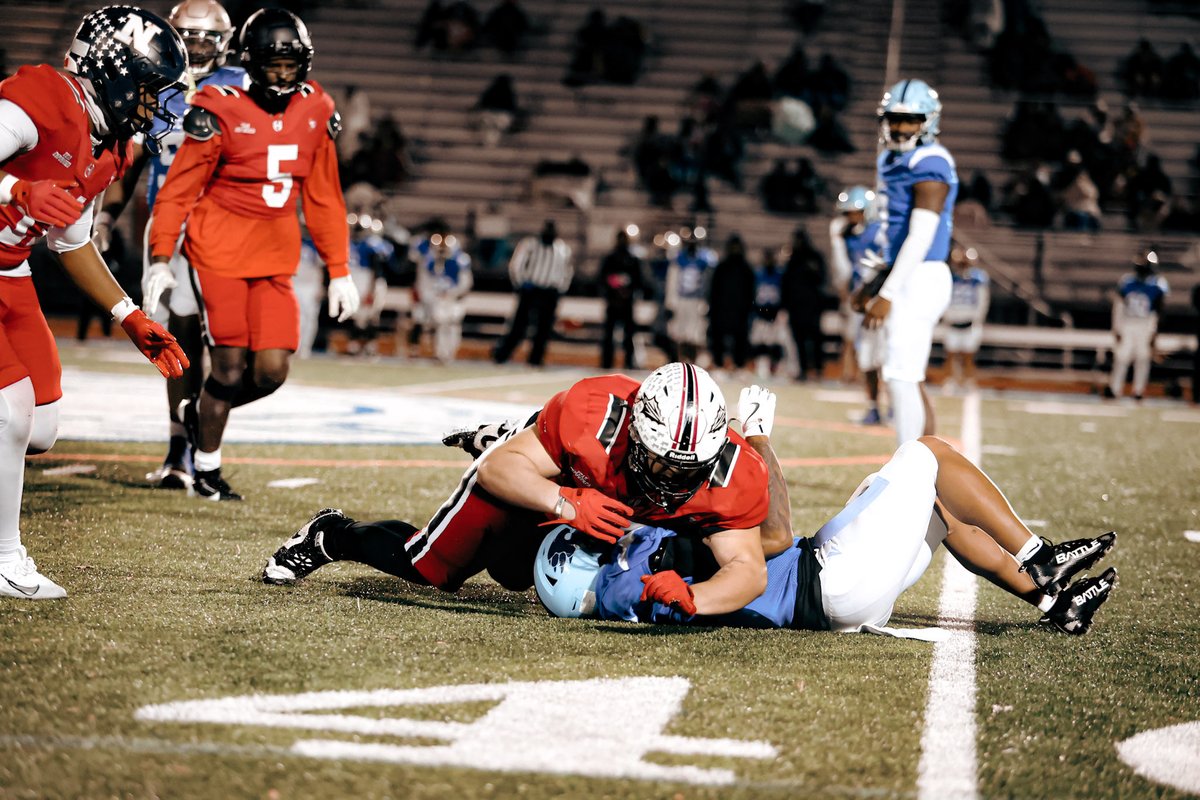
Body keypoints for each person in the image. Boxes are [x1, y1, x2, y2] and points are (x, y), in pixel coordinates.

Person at [533, 385, 1119, 636]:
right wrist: (759, 439)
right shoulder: (619, 584)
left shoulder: (623, 573)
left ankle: (1055, 601)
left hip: (828, 575)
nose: (600, 528)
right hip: (826, 582)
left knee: (936, 503)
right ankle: (1038, 555)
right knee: (927, 455)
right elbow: (776, 534)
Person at [262, 363, 773, 617]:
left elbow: (748, 569)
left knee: (510, 576)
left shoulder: (734, 474)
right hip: (552, 477)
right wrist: (564, 501)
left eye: (686, 470)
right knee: (433, 569)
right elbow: (497, 472)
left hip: (587, 495)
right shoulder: (591, 417)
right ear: (635, 432)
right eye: (660, 461)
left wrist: (696, 598)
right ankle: (332, 535)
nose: (668, 479)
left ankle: (515, 444)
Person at [0, 6, 190, 599]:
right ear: (114, 73)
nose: (158, 107)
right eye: (151, 90)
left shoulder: (110, 145)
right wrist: (18, 188)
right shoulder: (41, 100)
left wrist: (128, 315)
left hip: (10, 272)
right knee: (10, 413)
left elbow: (72, 240)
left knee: (40, 430)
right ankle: (5, 556)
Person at [148, 8, 360, 501]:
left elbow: (325, 196)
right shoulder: (218, 106)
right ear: (250, 63)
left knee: (270, 373)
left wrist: (340, 270)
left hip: (275, 256)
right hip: (217, 251)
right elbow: (179, 190)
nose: (283, 75)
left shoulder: (317, 108)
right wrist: (162, 255)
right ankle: (207, 469)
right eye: (272, 65)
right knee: (225, 368)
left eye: (291, 65)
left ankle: (195, 415)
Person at [97, 0, 248, 492]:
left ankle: (203, 435)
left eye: (208, 38)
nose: (199, 47)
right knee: (176, 340)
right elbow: (132, 159)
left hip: (228, 227)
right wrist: (105, 216)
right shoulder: (157, 84)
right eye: (190, 37)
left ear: (224, 41)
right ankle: (179, 451)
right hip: (168, 226)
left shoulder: (244, 86)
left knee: (230, 345)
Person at [854, 78, 957, 445]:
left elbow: (920, 235)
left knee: (899, 373)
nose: (900, 127)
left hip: (922, 273)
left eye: (910, 119)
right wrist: (874, 282)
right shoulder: (890, 158)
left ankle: (907, 467)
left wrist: (889, 291)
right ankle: (924, 464)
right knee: (905, 375)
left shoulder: (930, 160)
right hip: (903, 270)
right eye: (894, 119)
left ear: (928, 120)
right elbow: (893, 233)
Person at [829, 186, 886, 422]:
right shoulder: (849, 239)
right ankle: (874, 407)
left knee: (887, 357)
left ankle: (893, 405)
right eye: (849, 212)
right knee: (866, 358)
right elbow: (843, 272)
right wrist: (836, 242)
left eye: (856, 211)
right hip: (861, 303)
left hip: (882, 302)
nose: (851, 217)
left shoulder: (880, 232)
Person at [492, 219, 572, 366]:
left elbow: (567, 271)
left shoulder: (562, 249)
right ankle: (502, 355)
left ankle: (536, 359)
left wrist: (560, 289)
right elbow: (516, 265)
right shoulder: (530, 245)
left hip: (550, 292)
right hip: (531, 290)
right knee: (519, 325)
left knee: (544, 328)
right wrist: (520, 284)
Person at [1107, 251, 1169, 401]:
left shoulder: (1157, 285)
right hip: (1129, 323)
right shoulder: (1127, 282)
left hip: (1144, 324)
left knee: (1142, 358)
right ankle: (1116, 389)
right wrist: (1117, 327)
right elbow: (1119, 306)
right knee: (1122, 357)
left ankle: (1138, 390)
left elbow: (1157, 311)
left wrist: (1154, 331)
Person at [410, 224, 472, 363]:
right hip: (438, 297)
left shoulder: (459, 260)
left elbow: (465, 282)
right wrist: (430, 296)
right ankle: (441, 353)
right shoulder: (430, 260)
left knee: (452, 325)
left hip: (453, 298)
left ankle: (450, 352)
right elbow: (425, 281)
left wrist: (453, 294)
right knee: (440, 325)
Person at [781, 226, 828, 382]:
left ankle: (817, 369)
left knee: (814, 338)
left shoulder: (814, 257)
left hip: (812, 305)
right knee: (799, 340)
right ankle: (803, 370)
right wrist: (785, 305)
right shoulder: (792, 259)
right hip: (795, 306)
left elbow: (821, 279)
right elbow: (786, 284)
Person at [942, 243, 990, 391]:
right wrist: (947, 316)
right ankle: (950, 380)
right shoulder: (949, 277)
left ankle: (968, 381)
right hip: (953, 322)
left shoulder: (978, 278)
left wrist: (977, 318)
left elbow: (983, 301)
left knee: (968, 357)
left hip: (969, 323)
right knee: (950, 355)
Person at [706, 234, 755, 373]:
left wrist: (748, 308)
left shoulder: (746, 269)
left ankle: (739, 366)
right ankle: (719, 365)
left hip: (740, 311)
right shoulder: (722, 268)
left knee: (740, 340)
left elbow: (752, 291)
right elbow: (713, 290)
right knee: (717, 339)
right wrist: (712, 308)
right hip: (721, 310)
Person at [664, 239, 717, 365]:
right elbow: (672, 282)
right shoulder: (678, 259)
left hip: (697, 301)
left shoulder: (705, 259)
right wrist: (670, 303)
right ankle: (679, 363)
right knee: (678, 334)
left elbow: (708, 283)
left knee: (694, 335)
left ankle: (692, 364)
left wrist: (706, 302)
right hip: (681, 300)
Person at [598, 229, 644, 370]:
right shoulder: (610, 258)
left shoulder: (633, 258)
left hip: (627, 302)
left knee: (628, 335)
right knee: (609, 334)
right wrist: (612, 286)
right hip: (613, 301)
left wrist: (627, 289)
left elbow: (640, 280)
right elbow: (602, 278)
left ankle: (629, 362)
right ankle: (606, 363)